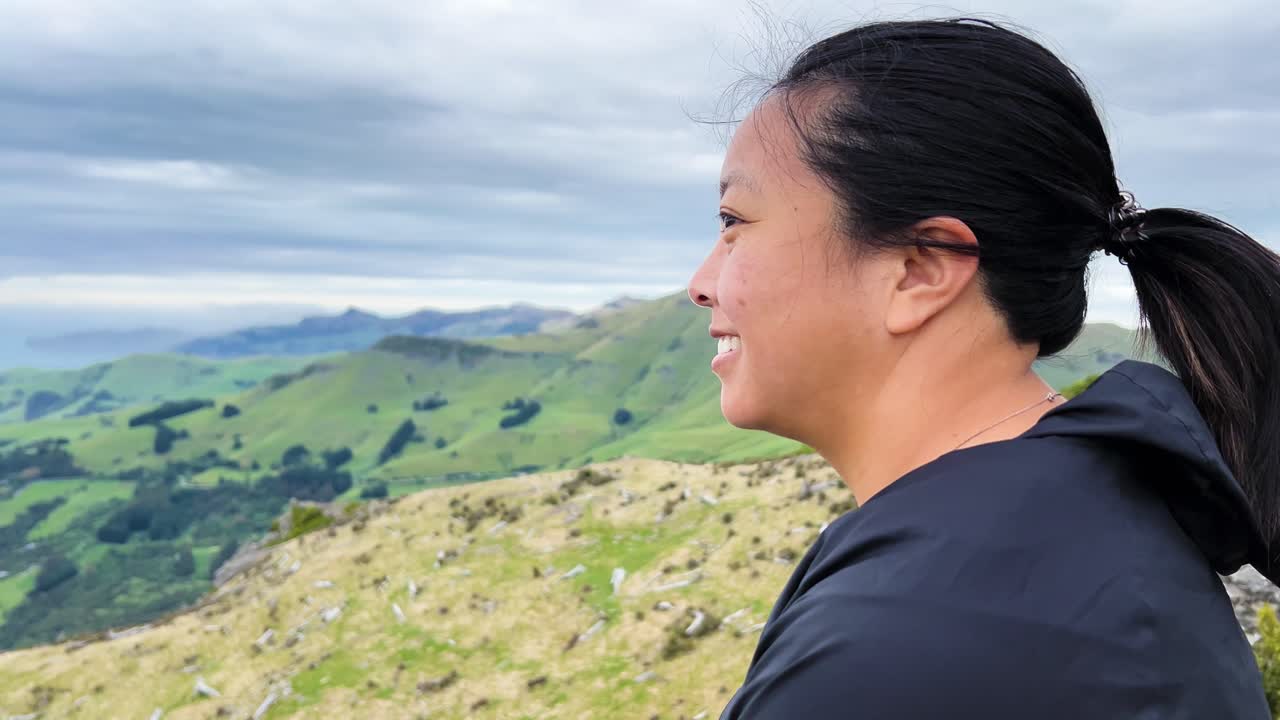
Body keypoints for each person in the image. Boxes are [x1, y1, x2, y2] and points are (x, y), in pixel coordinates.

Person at [687, 17, 1280, 719]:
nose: (701, 282)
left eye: (735, 222)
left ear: (919, 271)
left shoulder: (904, 646)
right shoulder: (1085, 513)